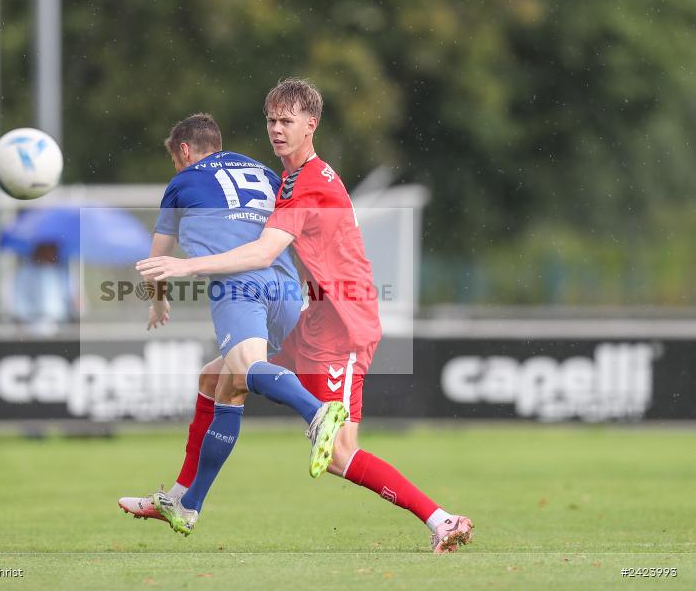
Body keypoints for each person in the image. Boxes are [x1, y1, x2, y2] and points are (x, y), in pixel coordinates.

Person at [135, 79, 474, 553]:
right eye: (271, 120)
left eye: (287, 121)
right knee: (220, 379)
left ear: (311, 125)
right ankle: (185, 503)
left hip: (341, 325)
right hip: (318, 316)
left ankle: (441, 519)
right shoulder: (290, 179)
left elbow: (262, 253)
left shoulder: (309, 185)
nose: (277, 130)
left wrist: (184, 266)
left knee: (340, 455)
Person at [121, 113, 348, 535]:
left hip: (238, 284)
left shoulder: (183, 182)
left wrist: (158, 302)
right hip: (286, 287)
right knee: (218, 382)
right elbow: (298, 235)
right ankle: (186, 503)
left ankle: (317, 413)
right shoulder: (265, 172)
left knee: (244, 370)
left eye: (175, 160)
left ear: (184, 151)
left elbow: (156, 262)